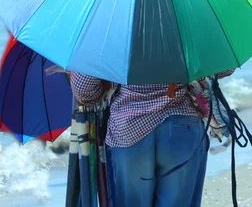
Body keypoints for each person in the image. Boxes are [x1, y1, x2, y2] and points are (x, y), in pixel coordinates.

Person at [70, 69, 235, 207]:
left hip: (129, 128)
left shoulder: (109, 31)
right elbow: (224, 66)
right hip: (183, 125)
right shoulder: (189, 28)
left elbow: (84, 89)